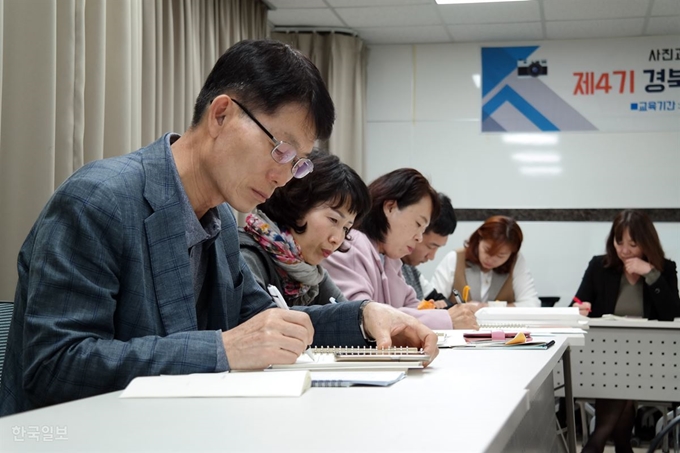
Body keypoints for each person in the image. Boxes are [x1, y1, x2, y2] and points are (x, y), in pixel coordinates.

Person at [0, 39, 438, 417]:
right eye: (280, 150)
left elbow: (263, 323)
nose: (284, 177)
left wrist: (363, 318)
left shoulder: (220, 220)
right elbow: (53, 366)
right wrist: (223, 350)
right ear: (222, 114)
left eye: (298, 162)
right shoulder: (100, 200)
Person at [572, 209, 680, 453]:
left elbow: (671, 312)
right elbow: (576, 303)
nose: (624, 250)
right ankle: (621, 446)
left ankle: (597, 443)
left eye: (633, 244)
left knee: (620, 376)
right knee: (618, 374)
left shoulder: (665, 269)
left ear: (647, 242)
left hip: (651, 356)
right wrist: (581, 308)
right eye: (619, 242)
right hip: (603, 354)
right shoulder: (600, 266)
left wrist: (650, 274)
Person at [322, 168, 478, 330]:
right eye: (418, 224)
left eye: (423, 230)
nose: (419, 237)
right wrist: (445, 319)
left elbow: (412, 305)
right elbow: (363, 317)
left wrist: (433, 311)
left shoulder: (390, 259)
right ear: (390, 207)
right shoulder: (350, 246)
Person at [239, 150, 370, 306]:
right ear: (298, 204)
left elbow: (348, 314)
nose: (337, 240)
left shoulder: (310, 274)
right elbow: (264, 323)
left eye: (346, 229)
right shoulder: (246, 257)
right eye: (333, 219)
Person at [431, 215, 540, 308]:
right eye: (487, 250)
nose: (491, 259)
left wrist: (489, 308)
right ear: (479, 239)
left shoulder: (516, 262)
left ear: (512, 253)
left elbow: (532, 304)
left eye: (501, 255)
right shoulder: (454, 258)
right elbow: (432, 302)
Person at [401, 193, 457, 305]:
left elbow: (439, 300)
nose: (431, 257)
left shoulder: (411, 271)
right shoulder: (384, 264)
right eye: (430, 247)